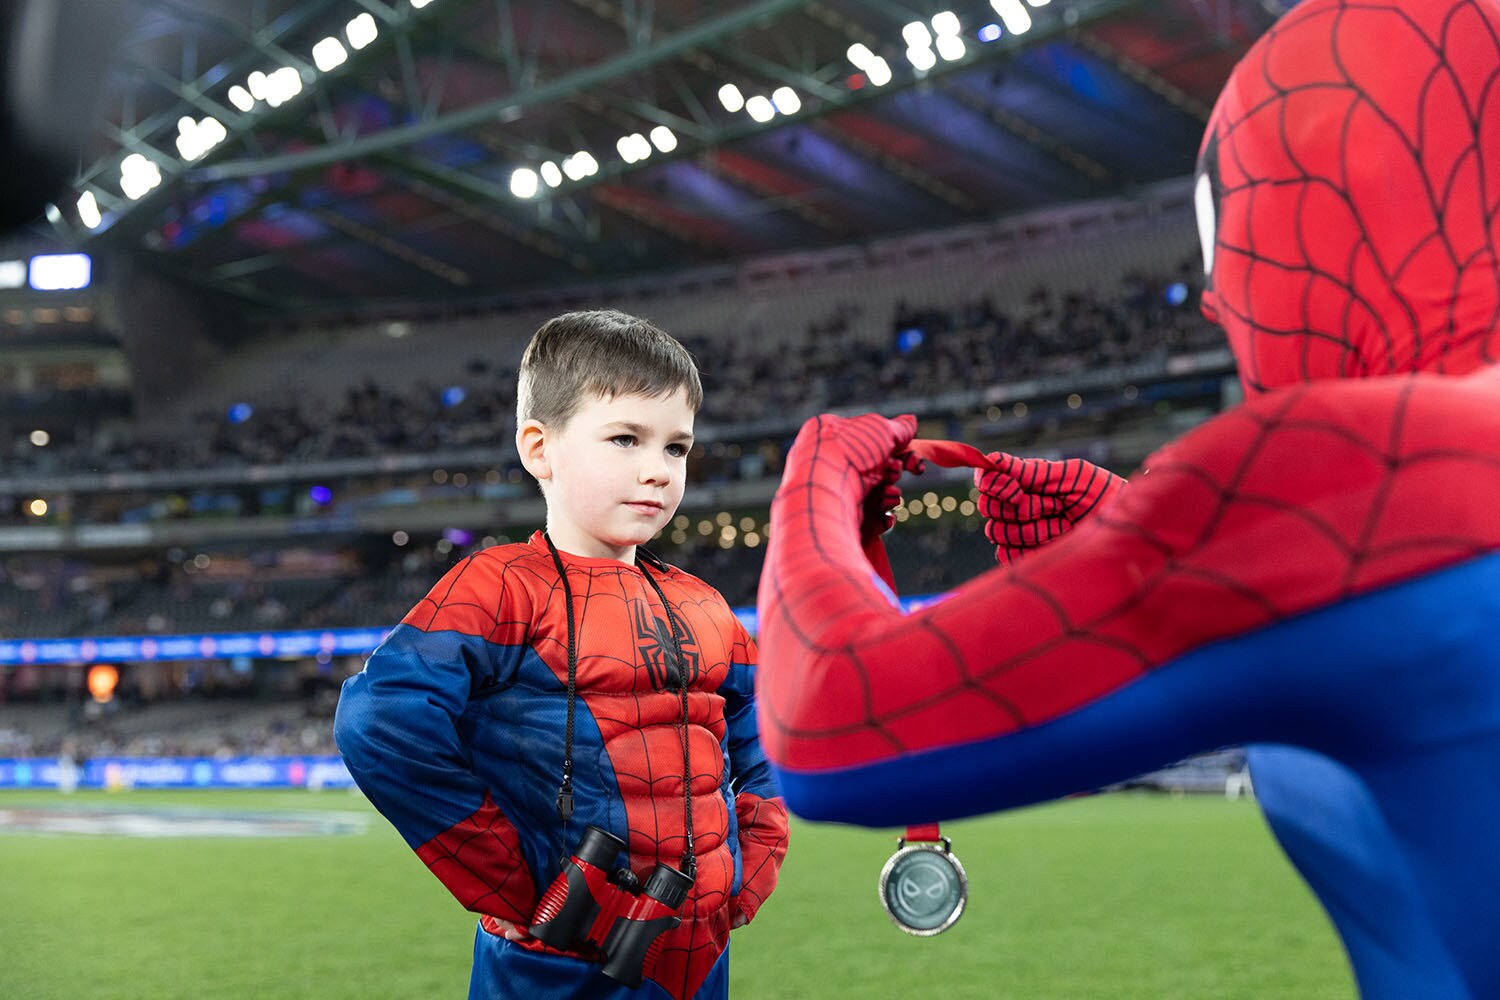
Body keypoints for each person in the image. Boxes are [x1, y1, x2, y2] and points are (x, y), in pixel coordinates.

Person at [754, 1, 1500, 997]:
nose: (1218, 301)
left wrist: (817, 481)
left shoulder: (1374, 468)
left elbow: (831, 726)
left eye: (1229, 237)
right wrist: (1132, 532)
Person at [336, 309, 788, 1000]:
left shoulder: (706, 606)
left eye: (677, 448)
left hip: (694, 957)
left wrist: (748, 873)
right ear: (540, 449)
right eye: (625, 438)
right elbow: (379, 722)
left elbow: (766, 737)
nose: (658, 470)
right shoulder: (499, 586)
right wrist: (522, 890)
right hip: (551, 966)